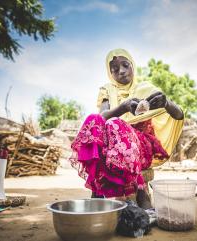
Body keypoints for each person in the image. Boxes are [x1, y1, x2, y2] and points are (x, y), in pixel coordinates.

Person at [70, 49, 184, 209]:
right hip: (112, 150)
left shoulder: (146, 88)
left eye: (125, 65)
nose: (121, 71)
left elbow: (179, 115)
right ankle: (118, 194)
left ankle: (139, 193)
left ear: (132, 66)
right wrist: (123, 107)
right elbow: (101, 117)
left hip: (141, 148)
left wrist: (166, 103)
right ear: (110, 73)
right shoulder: (107, 90)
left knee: (114, 123)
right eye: (115, 69)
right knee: (95, 120)